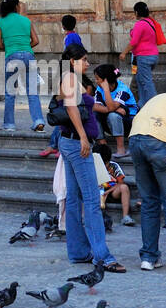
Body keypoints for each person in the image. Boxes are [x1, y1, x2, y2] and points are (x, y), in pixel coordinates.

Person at [51, 42, 125, 272]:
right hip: (76, 143)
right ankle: (102, 256)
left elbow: (90, 108)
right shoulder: (71, 79)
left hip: (69, 141)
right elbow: (72, 109)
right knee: (92, 200)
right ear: (73, 61)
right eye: (84, 59)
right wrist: (84, 137)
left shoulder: (69, 78)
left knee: (74, 199)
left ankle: (78, 252)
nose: (88, 63)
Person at [0, 0, 44, 133]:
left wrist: (11, 48)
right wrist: (24, 47)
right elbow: (35, 41)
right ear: (16, 6)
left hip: (12, 56)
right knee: (32, 91)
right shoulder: (26, 20)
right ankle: (38, 121)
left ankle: (10, 124)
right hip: (29, 56)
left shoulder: (0, 22)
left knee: (10, 92)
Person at [128, 91, 166, 270]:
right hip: (158, 142)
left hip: (135, 140)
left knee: (149, 201)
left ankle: (148, 258)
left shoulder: (158, 98)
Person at [119, 1, 162, 108]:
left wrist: (124, 53)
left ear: (137, 12)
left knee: (146, 82)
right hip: (153, 56)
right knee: (139, 80)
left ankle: (155, 106)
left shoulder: (140, 24)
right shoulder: (150, 22)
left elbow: (134, 42)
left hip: (144, 57)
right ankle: (142, 104)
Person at [91, 63, 136, 159]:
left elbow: (111, 108)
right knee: (94, 114)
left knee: (113, 115)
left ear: (105, 80)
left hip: (129, 123)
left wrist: (106, 90)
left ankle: (121, 149)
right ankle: (104, 147)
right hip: (111, 121)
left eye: (97, 79)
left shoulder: (122, 89)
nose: (96, 81)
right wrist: (110, 109)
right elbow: (95, 107)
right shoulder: (99, 89)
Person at [92, 140, 134, 225]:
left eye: (105, 164)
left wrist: (106, 192)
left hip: (112, 192)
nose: (103, 166)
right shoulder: (92, 166)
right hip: (96, 193)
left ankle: (126, 216)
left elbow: (120, 182)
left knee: (124, 187)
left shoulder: (114, 166)